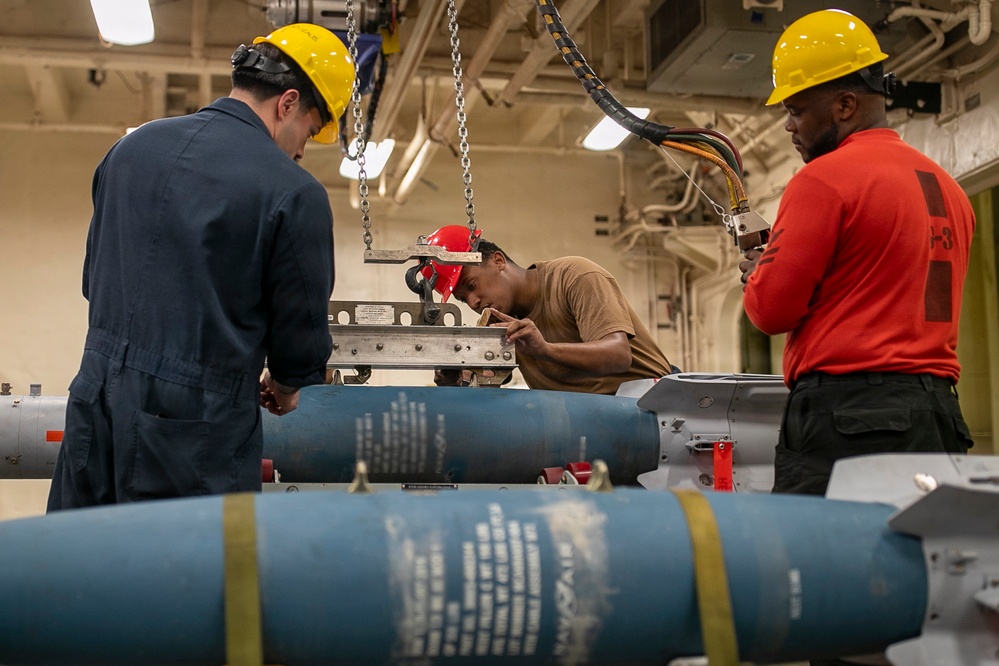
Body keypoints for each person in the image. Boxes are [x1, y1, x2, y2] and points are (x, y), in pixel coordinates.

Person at [47, 23, 355, 511]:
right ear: (288, 103)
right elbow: (300, 347)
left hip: (95, 404)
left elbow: (94, 282)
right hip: (194, 434)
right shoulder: (294, 193)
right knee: (190, 580)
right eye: (311, 132)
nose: (301, 150)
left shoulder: (129, 150)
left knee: (79, 574)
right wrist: (286, 385)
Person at [740, 9, 976, 502]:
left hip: (846, 419)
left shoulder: (822, 180)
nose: (788, 125)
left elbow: (772, 311)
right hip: (940, 419)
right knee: (924, 568)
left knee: (824, 570)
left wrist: (759, 274)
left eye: (797, 109)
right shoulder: (949, 190)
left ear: (845, 104)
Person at [421, 225, 673, 394]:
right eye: (464, 299)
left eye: (472, 285)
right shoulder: (499, 328)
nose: (474, 302)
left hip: (655, 404)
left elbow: (619, 355)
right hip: (589, 420)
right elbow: (485, 385)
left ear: (498, 261)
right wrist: (453, 381)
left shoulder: (574, 276)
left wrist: (544, 349)